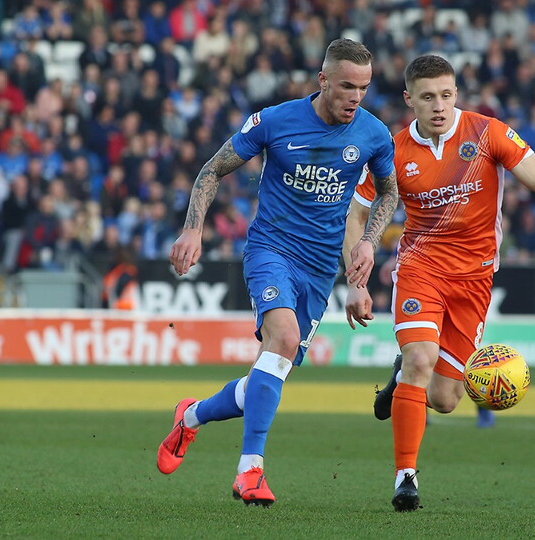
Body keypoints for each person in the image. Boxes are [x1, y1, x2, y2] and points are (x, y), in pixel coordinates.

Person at [156, 38, 399, 506]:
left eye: (363, 88)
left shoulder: (373, 133)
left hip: (320, 267)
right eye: (346, 86)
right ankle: (250, 471)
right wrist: (192, 230)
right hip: (271, 249)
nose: (355, 97)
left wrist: (366, 247)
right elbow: (212, 170)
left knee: (269, 372)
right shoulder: (275, 121)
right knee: (283, 339)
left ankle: (190, 416)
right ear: (323, 80)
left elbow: (388, 192)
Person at [344, 54, 535, 512]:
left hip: (474, 281)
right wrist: (356, 283)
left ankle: (401, 377)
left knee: (445, 399)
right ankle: (405, 477)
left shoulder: (488, 133)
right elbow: (356, 215)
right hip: (420, 270)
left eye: (447, 95)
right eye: (428, 97)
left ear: (457, 93)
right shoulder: (393, 150)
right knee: (421, 359)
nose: (439, 106)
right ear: (409, 99)